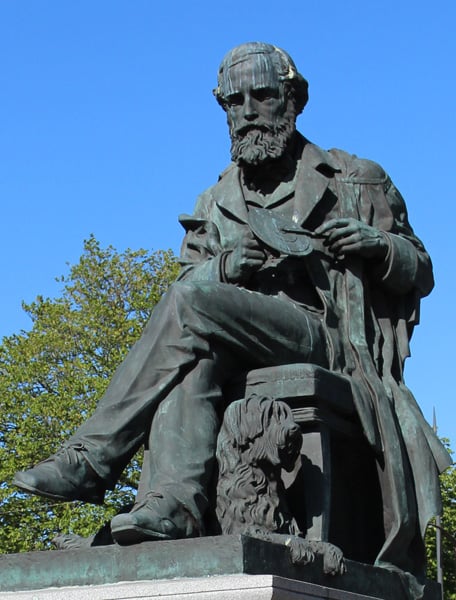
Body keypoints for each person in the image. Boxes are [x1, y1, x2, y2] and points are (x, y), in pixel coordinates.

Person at [14, 42, 450, 576]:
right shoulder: (216, 200)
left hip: (326, 337)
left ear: (294, 99)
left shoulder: (354, 177)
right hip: (230, 343)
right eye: (233, 101)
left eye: (262, 95)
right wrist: (224, 269)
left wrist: (374, 243)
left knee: (194, 306)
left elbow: (420, 269)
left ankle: (93, 457)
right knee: (192, 351)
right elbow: (185, 289)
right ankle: (173, 505)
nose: (246, 112)